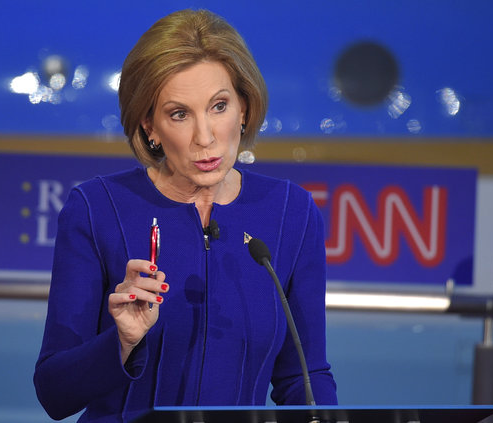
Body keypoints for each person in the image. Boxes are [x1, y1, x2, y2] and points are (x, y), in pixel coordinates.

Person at [34, 8, 337, 422]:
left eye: (219, 106)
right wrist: (121, 341)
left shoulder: (291, 212)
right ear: (149, 126)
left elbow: (303, 377)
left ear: (244, 109)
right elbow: (54, 392)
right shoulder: (96, 208)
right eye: (180, 114)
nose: (205, 136)